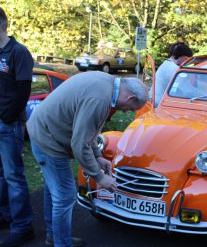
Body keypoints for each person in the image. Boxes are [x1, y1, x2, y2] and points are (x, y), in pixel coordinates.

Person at [27, 71, 148, 247]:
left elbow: (87, 130)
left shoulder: (106, 83)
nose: (126, 111)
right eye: (131, 108)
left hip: (44, 131)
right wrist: (99, 177)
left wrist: (98, 157)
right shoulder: (99, 100)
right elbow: (79, 144)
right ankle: (62, 243)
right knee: (65, 197)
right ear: (130, 97)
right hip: (48, 140)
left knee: (54, 190)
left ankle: (55, 236)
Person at [0, 7, 35, 247]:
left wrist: (6, 117)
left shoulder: (19, 52)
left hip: (8, 124)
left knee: (13, 175)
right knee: (1, 175)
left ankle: (23, 226)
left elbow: (23, 91)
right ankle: (6, 215)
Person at [151, 42, 193, 107]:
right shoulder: (173, 68)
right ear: (175, 56)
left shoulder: (167, 64)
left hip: (155, 101)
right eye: (185, 59)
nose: (187, 62)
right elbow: (188, 90)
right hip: (159, 105)